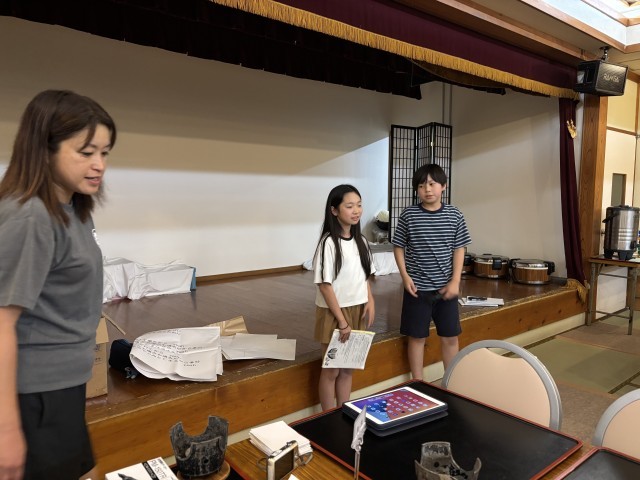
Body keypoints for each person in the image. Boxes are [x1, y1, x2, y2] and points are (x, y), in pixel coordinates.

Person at [0, 90, 117, 480]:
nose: (99, 165)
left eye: (104, 152)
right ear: (44, 149)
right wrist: (6, 430)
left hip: (63, 386)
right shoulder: (30, 216)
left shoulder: (73, 208)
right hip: (35, 394)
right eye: (86, 152)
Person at [393, 164, 471, 380]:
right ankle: (417, 382)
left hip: (446, 289)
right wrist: (405, 276)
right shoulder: (409, 215)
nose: (427, 189)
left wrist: (455, 281)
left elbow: (459, 248)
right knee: (416, 338)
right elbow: (398, 246)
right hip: (417, 289)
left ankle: (451, 381)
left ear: (443, 186)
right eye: (421, 185)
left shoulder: (454, 215)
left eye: (432, 184)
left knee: (450, 337)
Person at [313, 184, 375, 411]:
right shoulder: (328, 243)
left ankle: (343, 411)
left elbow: (364, 276)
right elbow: (325, 285)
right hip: (335, 313)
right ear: (334, 210)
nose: (356, 210)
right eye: (349, 206)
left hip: (357, 309)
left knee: (348, 368)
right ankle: (328, 416)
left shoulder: (362, 241)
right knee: (331, 370)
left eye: (359, 205)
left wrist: (370, 300)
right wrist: (341, 321)